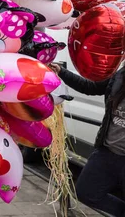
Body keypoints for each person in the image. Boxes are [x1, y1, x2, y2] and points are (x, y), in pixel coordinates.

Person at [49, 63, 125, 217]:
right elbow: (90, 87)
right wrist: (62, 72)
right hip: (107, 151)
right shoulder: (119, 75)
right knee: (86, 192)